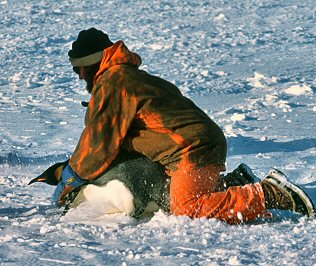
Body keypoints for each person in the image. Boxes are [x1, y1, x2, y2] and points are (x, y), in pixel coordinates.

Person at [41, 28, 314, 224]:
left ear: (89, 65)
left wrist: (69, 180)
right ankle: (236, 183)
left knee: (187, 210)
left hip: (190, 149)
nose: (79, 77)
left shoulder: (113, 84)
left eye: (79, 70)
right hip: (200, 141)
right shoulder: (130, 77)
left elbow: (98, 148)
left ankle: (272, 194)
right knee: (181, 196)